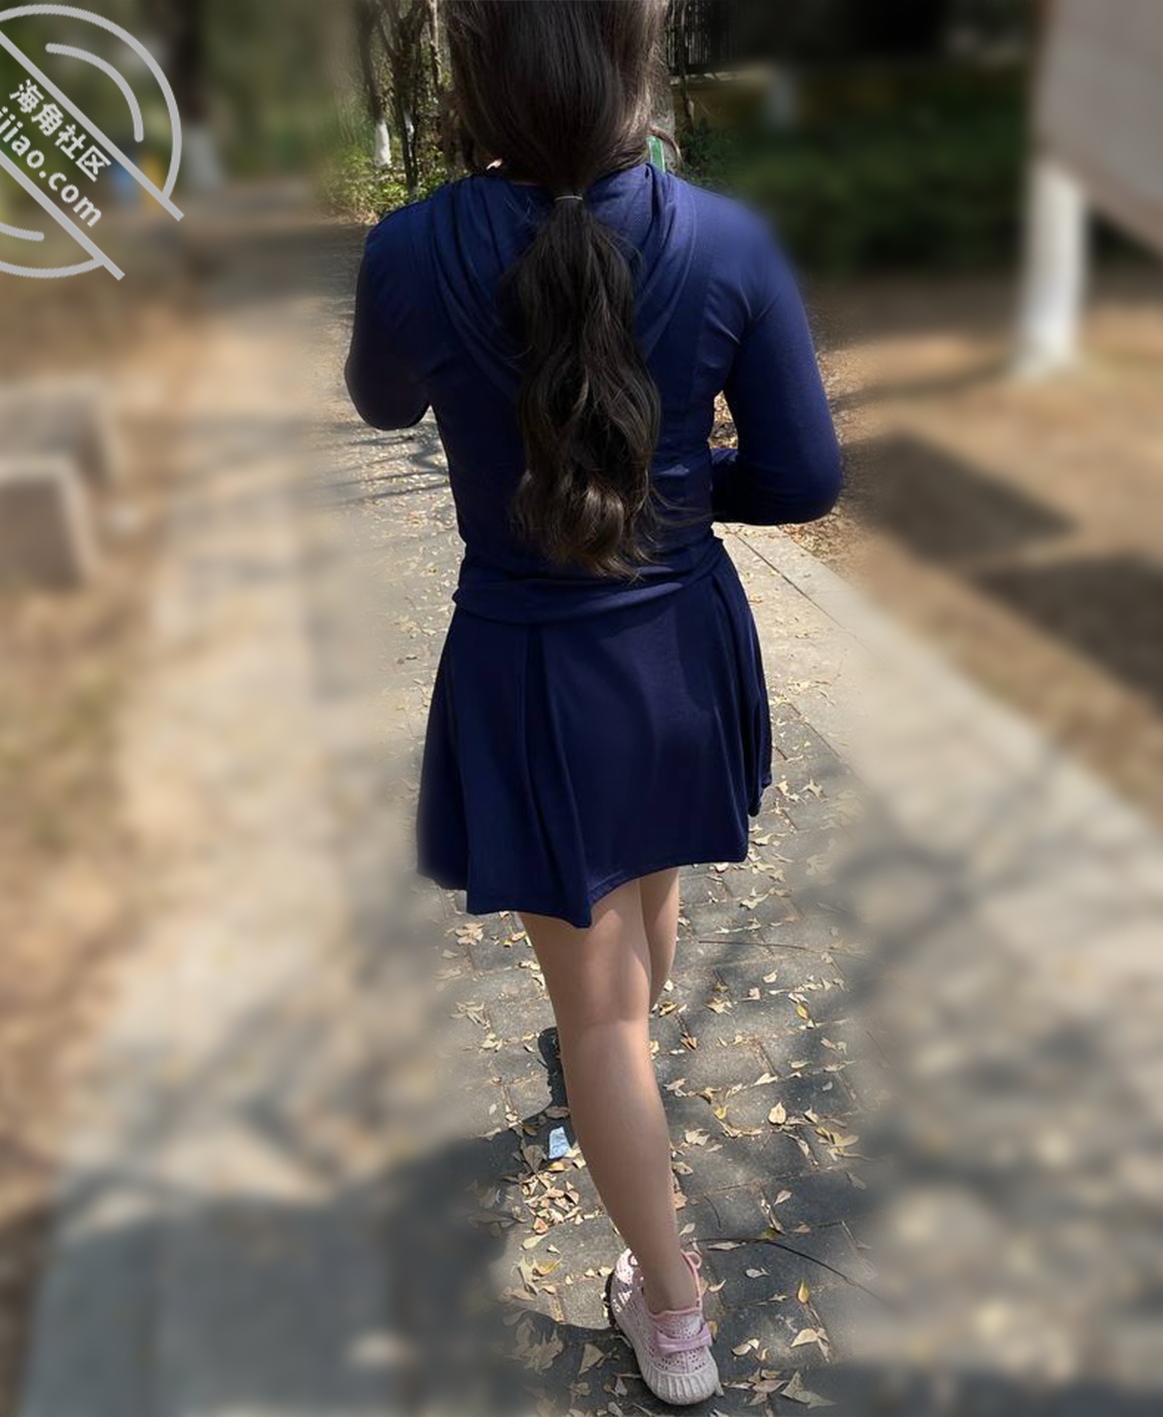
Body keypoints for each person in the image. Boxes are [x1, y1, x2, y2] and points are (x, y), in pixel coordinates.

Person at [345, 1, 840, 1403]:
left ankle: (672, 1317)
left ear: (475, 75)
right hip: (679, 650)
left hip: (534, 665)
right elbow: (804, 477)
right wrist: (670, 495)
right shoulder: (726, 239)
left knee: (601, 1016)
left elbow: (382, 405)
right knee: (642, 922)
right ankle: (612, 1108)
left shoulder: (412, 247)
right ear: (636, 61)